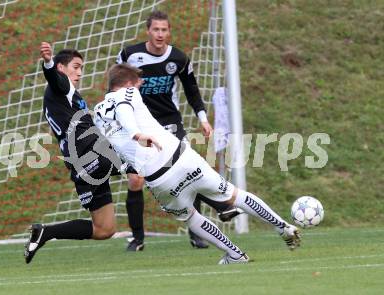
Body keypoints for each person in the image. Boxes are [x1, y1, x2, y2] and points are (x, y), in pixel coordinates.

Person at [93, 63, 302, 264]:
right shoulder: (128, 93)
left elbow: (113, 146)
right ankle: (282, 226)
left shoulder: (98, 113)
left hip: (160, 178)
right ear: (129, 83)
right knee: (233, 194)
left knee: (190, 217)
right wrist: (137, 134)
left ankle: (235, 254)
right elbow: (123, 108)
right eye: (138, 83)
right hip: (183, 158)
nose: (140, 87)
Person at [116, 10, 240, 251]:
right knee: (135, 180)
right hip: (139, 125)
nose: (160, 34)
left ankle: (198, 233)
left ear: (169, 31)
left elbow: (191, 90)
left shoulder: (179, 59)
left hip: (169, 122)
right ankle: (137, 239)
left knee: (187, 170)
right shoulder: (129, 55)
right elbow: (116, 83)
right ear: (148, 31)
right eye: (156, 30)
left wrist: (203, 119)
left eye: (164, 30)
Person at [24, 42, 133, 264]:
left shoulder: (66, 95)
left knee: (105, 229)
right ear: (62, 68)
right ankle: (212, 199)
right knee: (142, 162)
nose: (80, 72)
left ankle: (46, 232)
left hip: (81, 163)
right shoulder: (61, 86)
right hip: (90, 154)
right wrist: (48, 63)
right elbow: (55, 79)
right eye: (75, 66)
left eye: (81, 67)